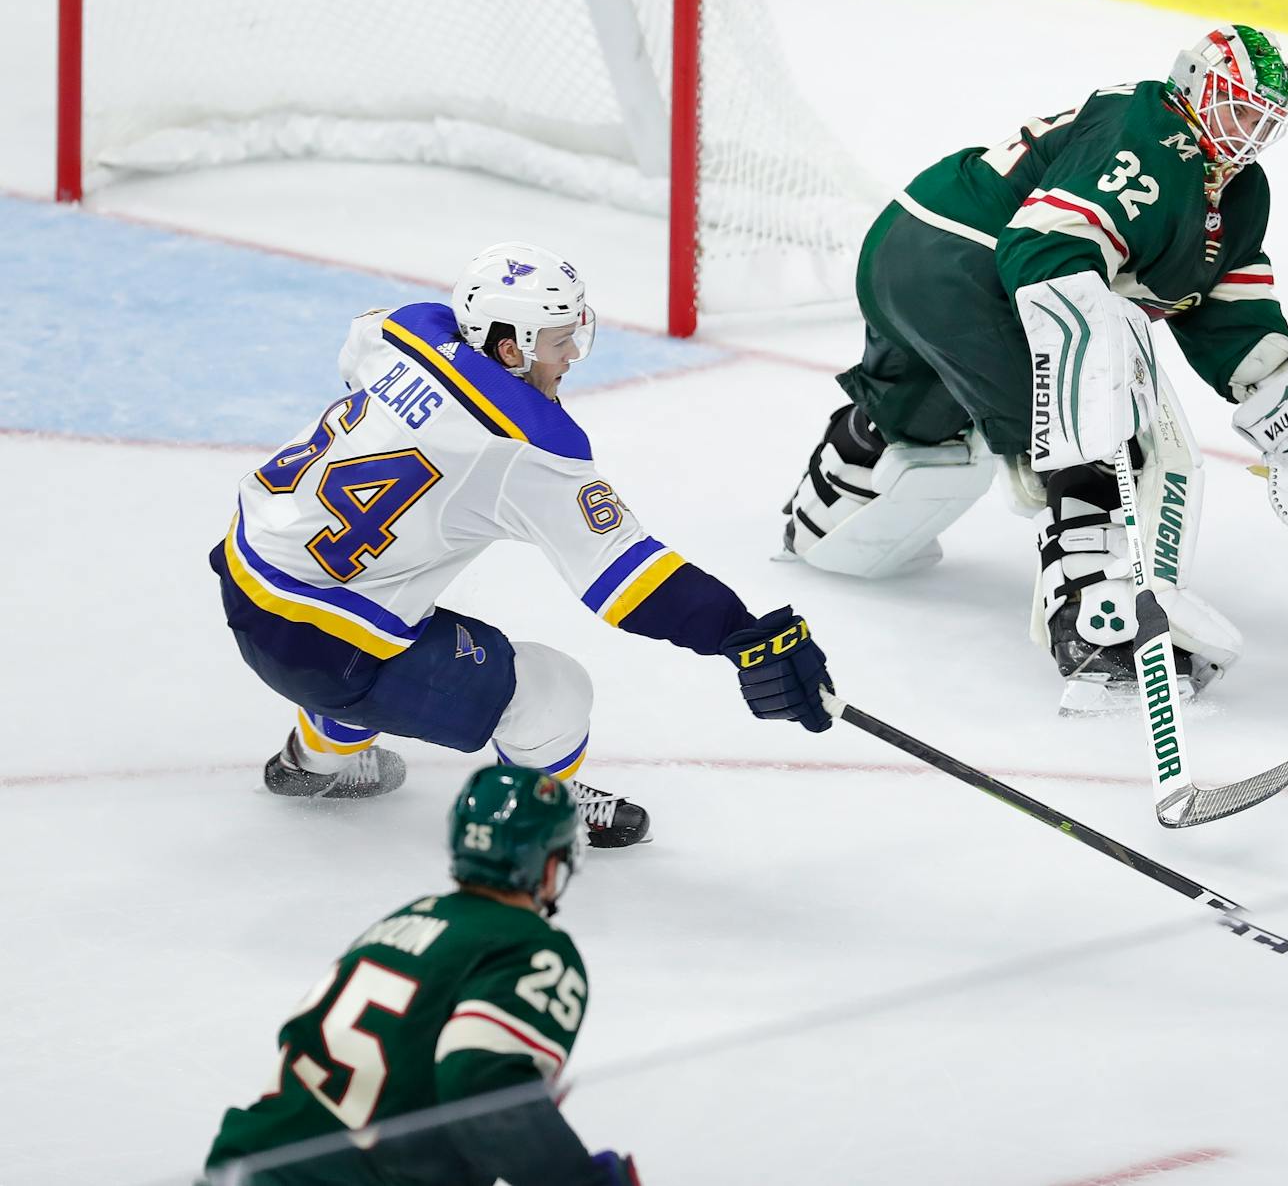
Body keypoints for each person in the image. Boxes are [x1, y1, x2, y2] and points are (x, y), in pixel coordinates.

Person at [779, 26, 1288, 712]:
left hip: (911, 242)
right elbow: (1045, 245)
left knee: (920, 416)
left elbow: (1225, 307)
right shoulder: (1150, 138)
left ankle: (830, 502)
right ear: (1196, 86)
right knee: (1108, 434)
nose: (1248, 131)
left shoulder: (1235, 189)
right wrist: (1095, 344)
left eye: (1263, 119)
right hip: (964, 263)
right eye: (1237, 108)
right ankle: (1095, 625)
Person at [211, 242, 836, 843]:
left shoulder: (399, 330)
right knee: (553, 690)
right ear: (510, 348)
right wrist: (742, 634)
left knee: (390, 614)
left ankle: (313, 760)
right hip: (326, 652)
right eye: (561, 342)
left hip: (244, 578)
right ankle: (543, 817)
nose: (570, 357)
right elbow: (631, 580)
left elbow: (358, 365)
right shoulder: (525, 447)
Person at [204, 765, 640, 1186]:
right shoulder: (533, 946)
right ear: (548, 866)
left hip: (242, 1166)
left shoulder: (407, 919)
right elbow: (484, 1087)